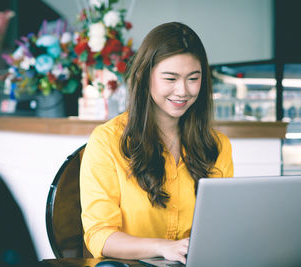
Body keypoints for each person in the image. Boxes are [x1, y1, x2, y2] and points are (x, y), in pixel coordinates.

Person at [80, 22, 234, 264]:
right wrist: (164, 247)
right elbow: (100, 236)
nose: (182, 91)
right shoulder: (107, 142)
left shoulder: (217, 146)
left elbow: (221, 229)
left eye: (193, 78)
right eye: (170, 78)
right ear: (144, 76)